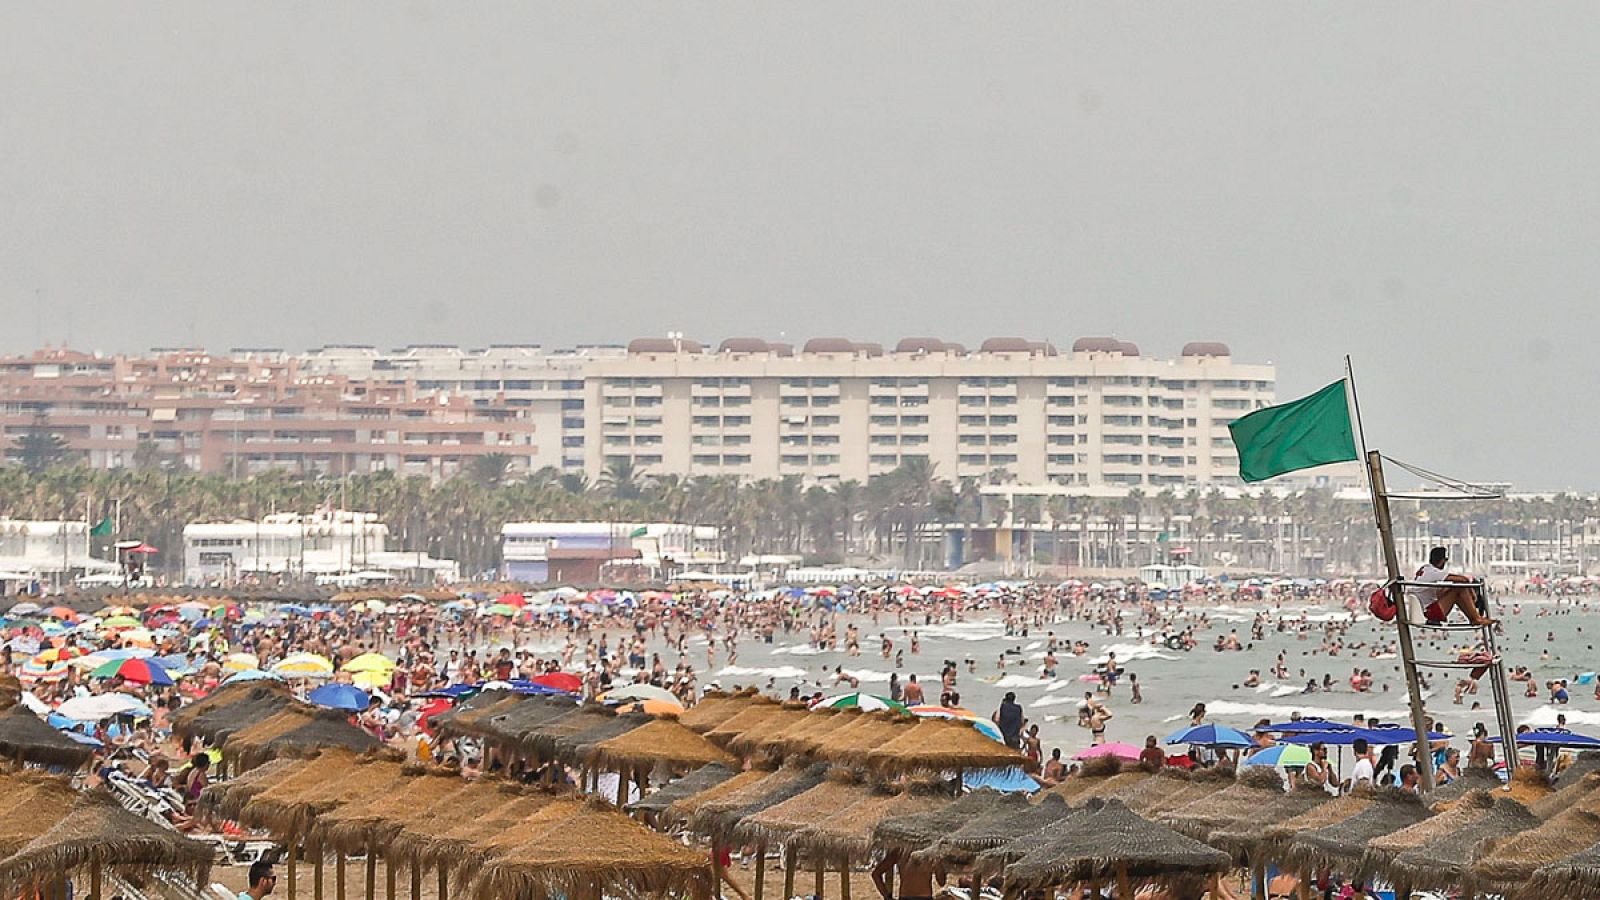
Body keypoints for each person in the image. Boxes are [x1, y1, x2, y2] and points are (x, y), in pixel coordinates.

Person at [1410, 547, 1495, 627]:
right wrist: (1472, 593)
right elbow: (1463, 579)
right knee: (1459, 588)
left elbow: (1438, 593)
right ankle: (1476, 618)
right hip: (1430, 612)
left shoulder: (1425, 569)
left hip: (1424, 609)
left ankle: (1474, 617)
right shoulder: (1434, 572)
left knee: (1455, 590)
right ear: (1442, 560)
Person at [872, 847, 944, 900]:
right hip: (919, 896)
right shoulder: (900, 849)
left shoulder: (901, 849)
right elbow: (941, 882)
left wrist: (887, 896)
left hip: (915, 897)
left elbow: (876, 874)